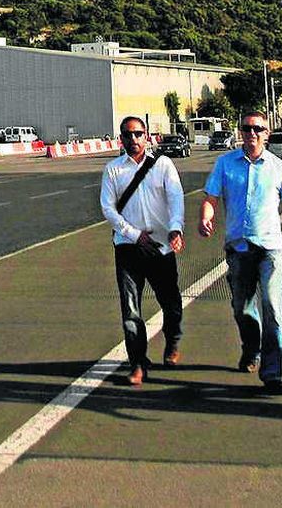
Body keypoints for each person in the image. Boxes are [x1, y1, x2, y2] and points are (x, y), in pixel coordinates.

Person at [198, 110, 282, 392]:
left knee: (273, 307)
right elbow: (211, 197)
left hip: (271, 249)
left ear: (266, 134)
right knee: (242, 308)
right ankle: (252, 349)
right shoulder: (225, 164)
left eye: (257, 129)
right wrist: (205, 216)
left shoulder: (277, 167)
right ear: (240, 132)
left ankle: (273, 372)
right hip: (239, 249)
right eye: (247, 129)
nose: (251, 134)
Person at [99, 115, 186, 386]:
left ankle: (173, 341)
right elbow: (108, 209)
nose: (133, 139)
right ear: (121, 138)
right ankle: (137, 363)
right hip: (128, 248)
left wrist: (175, 228)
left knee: (170, 304)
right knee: (130, 310)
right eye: (127, 135)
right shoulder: (113, 169)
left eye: (138, 134)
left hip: (160, 247)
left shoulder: (162, 165)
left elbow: (175, 198)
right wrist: (134, 235)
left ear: (146, 136)